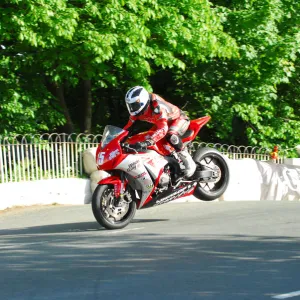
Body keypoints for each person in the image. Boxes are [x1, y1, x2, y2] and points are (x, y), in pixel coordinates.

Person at [123, 86, 196, 178]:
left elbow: (163, 129)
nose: (132, 108)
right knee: (148, 135)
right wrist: (117, 140)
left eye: (134, 105)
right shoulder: (136, 113)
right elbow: (127, 128)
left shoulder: (157, 106)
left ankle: (188, 160)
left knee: (170, 135)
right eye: (130, 105)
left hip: (178, 119)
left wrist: (149, 141)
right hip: (162, 122)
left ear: (142, 101)